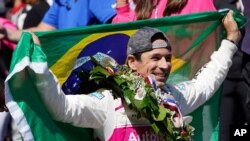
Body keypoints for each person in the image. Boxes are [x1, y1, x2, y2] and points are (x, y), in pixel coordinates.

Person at [29, 11, 240, 141]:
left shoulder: (172, 97)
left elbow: (207, 83)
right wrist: (39, 63)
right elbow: (62, 108)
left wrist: (230, 41)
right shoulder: (108, 103)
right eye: (155, 58)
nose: (165, 65)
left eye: (168, 58)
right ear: (132, 62)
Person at [0, 0, 116, 42]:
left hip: (98, 73)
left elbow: (119, 26)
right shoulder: (59, 2)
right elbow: (43, 31)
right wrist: (7, 32)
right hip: (72, 70)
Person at [217, 0, 250, 141]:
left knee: (240, 131)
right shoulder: (220, 3)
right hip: (226, 76)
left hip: (243, 70)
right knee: (228, 132)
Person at [112, 0, 216, 23]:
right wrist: (122, 5)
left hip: (190, 76)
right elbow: (123, 38)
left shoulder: (197, 1)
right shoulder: (146, 5)